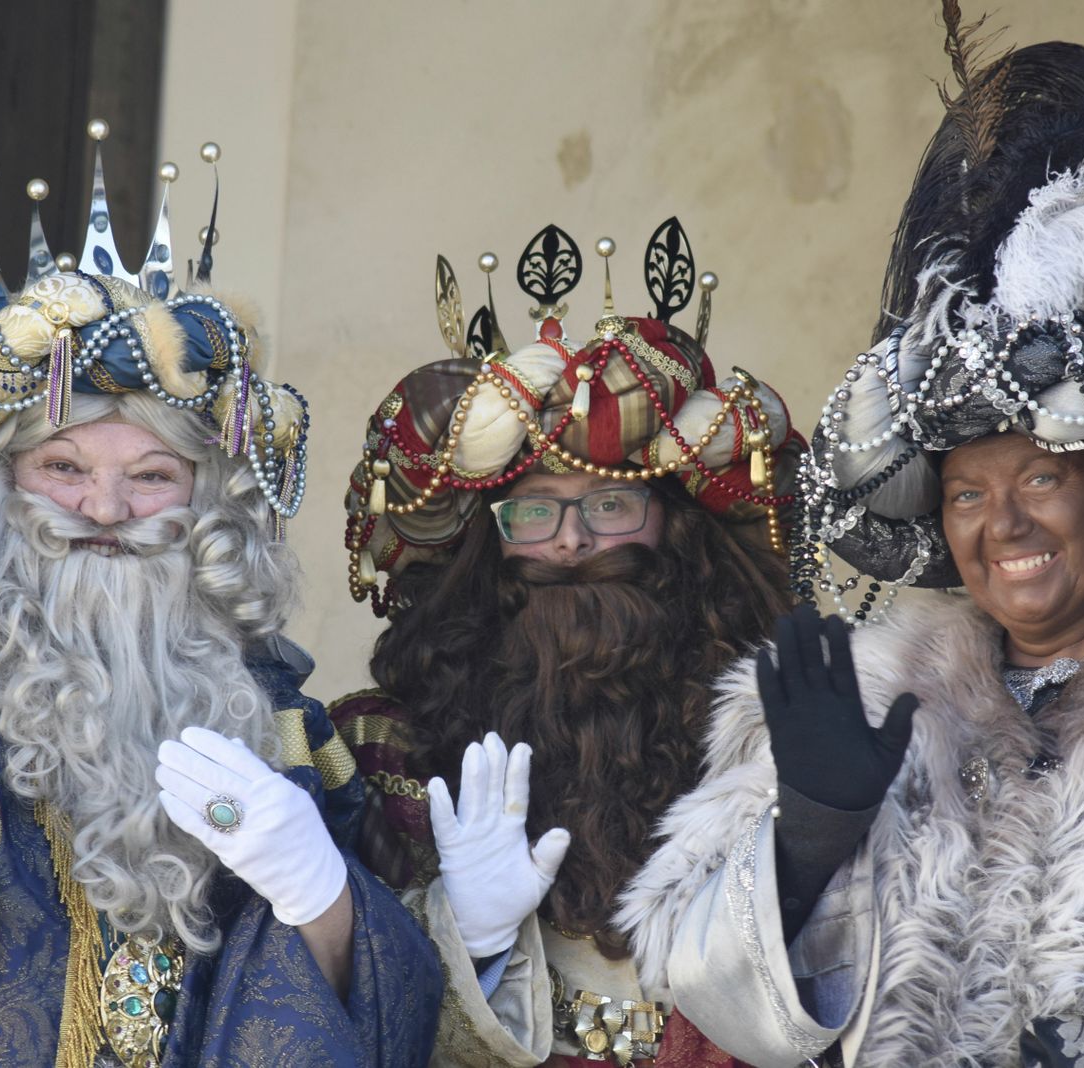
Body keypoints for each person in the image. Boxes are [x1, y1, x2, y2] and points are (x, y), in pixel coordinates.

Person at [619, 18, 1084, 1068]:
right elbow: (705, 1016)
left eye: (1042, 478)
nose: (1000, 524)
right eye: (965, 492)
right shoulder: (870, 701)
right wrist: (804, 842)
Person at [0, 133, 440, 1067]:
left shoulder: (284, 731)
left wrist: (325, 903)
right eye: (62, 467)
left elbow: (384, 1027)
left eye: (153, 476)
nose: (105, 510)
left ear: (210, 507)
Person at [332, 221, 818, 1064]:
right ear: (490, 547)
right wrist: (466, 938)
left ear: (677, 534)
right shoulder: (382, 753)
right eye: (533, 511)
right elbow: (337, 1012)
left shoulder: (781, 745)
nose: (567, 542)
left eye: (608, 505)